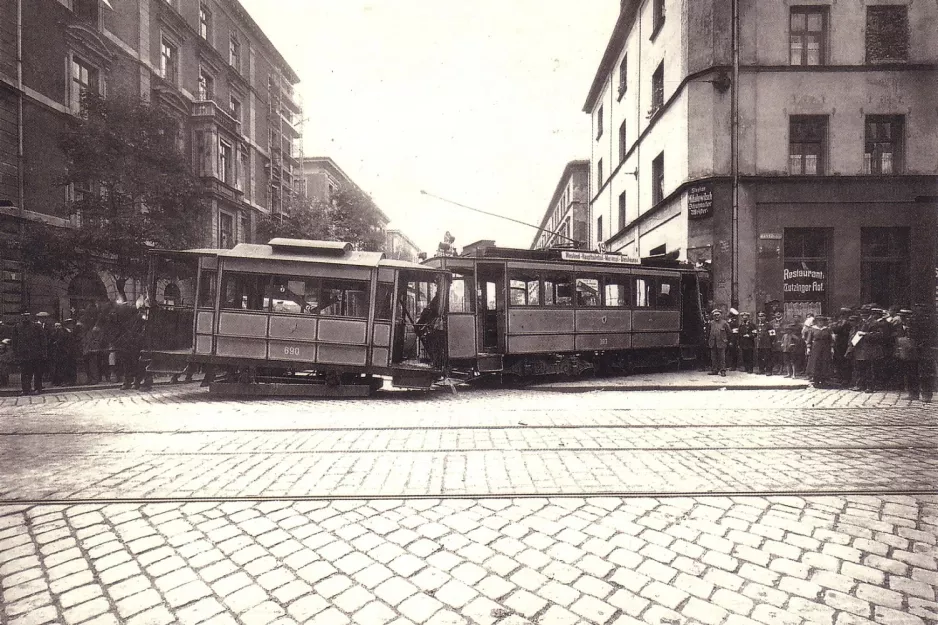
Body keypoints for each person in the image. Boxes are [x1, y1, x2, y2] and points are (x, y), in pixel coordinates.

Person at [13, 312, 43, 395]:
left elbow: (43, 340)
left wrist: (43, 353)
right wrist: (16, 353)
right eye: (24, 316)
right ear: (21, 316)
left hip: (35, 354)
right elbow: (14, 342)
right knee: (24, 373)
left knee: (37, 372)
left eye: (27, 316)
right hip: (23, 354)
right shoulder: (17, 327)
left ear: (30, 316)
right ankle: (25, 389)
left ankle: (38, 388)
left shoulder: (37, 326)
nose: (26, 318)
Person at [806, 315, 834, 388]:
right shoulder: (812, 329)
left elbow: (831, 340)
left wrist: (831, 348)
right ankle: (816, 380)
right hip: (815, 347)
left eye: (822, 321)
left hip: (825, 347)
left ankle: (824, 380)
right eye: (819, 321)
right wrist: (808, 348)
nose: (821, 322)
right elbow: (809, 339)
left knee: (824, 362)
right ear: (816, 322)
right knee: (816, 362)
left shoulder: (827, 329)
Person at [707, 308, 730, 376]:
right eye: (715, 315)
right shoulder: (711, 323)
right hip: (713, 343)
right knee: (713, 357)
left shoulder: (724, 323)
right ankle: (714, 370)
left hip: (721, 342)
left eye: (718, 315)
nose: (716, 316)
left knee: (722, 358)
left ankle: (723, 371)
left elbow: (729, 332)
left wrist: (726, 340)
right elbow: (708, 333)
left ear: (720, 315)